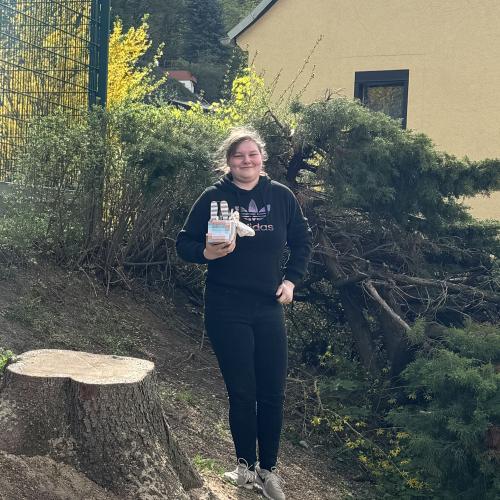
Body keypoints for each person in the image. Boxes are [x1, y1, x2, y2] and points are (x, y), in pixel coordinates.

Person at [176, 127, 312, 500]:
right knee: (242, 391)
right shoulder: (213, 197)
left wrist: (291, 281)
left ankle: (269, 470)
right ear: (229, 161)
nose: (246, 160)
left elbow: (303, 242)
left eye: (252, 154)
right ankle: (245, 468)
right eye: (239, 155)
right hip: (226, 306)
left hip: (268, 306)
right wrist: (206, 252)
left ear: (262, 157)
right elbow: (183, 243)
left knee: (272, 392)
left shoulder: (281, 197)